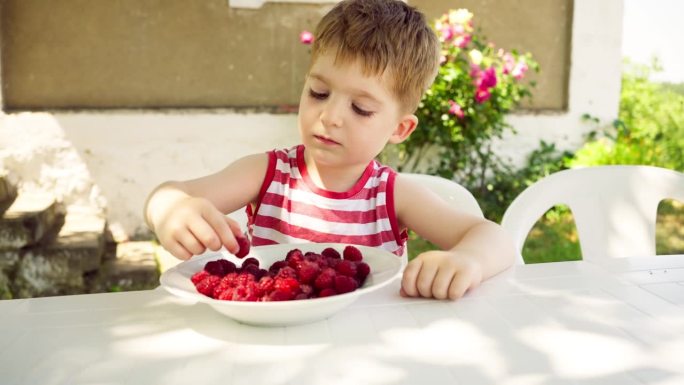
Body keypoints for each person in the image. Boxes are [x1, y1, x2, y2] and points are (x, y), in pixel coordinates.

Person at [144, 0, 516, 300]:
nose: (330, 116)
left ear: (399, 129)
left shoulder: (392, 195)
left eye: (361, 109)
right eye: (319, 93)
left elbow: (493, 237)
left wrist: (466, 260)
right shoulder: (267, 174)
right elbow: (171, 194)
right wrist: (171, 210)